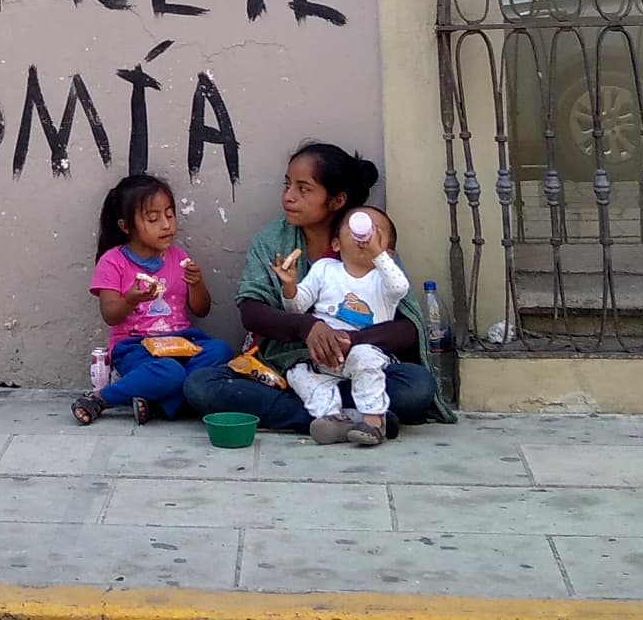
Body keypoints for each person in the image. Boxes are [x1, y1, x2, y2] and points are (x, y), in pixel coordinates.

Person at [182, 142, 455, 436]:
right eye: (287, 185)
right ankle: (362, 417)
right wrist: (308, 328)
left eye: (304, 189)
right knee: (201, 387)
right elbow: (251, 311)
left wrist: (348, 340)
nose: (288, 197)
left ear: (336, 201)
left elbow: (409, 328)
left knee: (417, 387)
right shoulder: (272, 239)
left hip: (358, 366)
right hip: (287, 368)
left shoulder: (369, 242)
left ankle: (326, 414)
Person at [72, 173, 232, 425]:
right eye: (153, 219)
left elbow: (201, 310)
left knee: (220, 350)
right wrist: (131, 299)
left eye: (170, 215)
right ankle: (102, 399)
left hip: (182, 342)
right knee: (168, 372)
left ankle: (159, 402)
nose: (167, 225)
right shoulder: (113, 261)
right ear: (126, 226)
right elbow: (110, 314)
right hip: (136, 346)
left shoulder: (179, 257)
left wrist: (196, 282)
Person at [275, 206, 410, 446]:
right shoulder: (324, 269)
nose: (365, 236)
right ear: (336, 244)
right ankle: (335, 419)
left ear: (389, 253)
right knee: (297, 373)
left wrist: (378, 255)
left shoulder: (383, 280)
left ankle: (373, 422)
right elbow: (296, 308)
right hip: (324, 356)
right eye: (356, 228)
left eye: (375, 231)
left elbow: (400, 288)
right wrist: (289, 286)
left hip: (367, 353)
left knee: (363, 356)